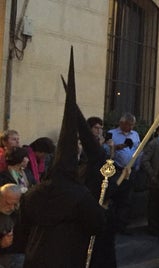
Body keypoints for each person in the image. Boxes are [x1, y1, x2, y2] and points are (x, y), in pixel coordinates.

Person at [18, 53, 105, 267]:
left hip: (35, 258)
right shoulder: (79, 195)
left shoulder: (34, 192)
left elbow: (22, 228)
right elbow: (98, 224)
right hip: (67, 259)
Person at [106, 113, 141, 234]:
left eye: (132, 125)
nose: (130, 127)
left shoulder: (135, 135)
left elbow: (138, 150)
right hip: (117, 169)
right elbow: (106, 148)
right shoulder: (112, 133)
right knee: (114, 196)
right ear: (122, 123)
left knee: (126, 199)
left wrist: (137, 166)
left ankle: (122, 225)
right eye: (128, 124)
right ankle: (111, 224)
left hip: (130, 170)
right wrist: (115, 148)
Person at [0, 184, 23, 268]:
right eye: (8, 203)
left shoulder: (16, 213)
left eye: (15, 204)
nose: (12, 208)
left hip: (14, 254)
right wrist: (1, 244)